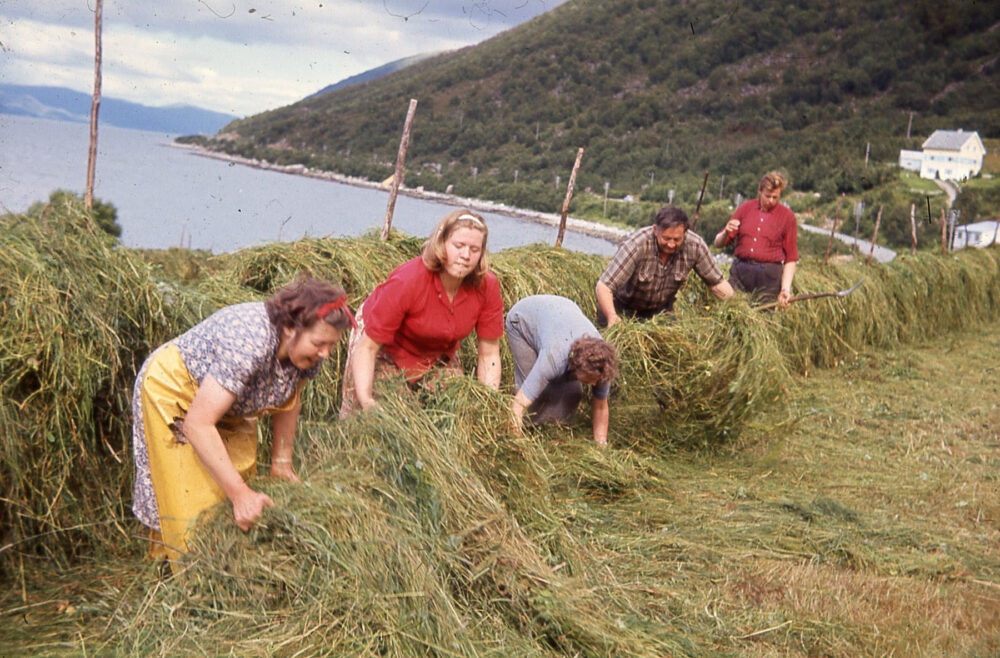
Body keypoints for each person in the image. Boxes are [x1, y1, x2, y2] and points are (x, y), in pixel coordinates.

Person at [131, 276, 355, 563]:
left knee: (232, 477)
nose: (325, 353)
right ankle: (177, 572)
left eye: (331, 346)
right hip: (177, 391)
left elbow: (291, 397)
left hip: (228, 402)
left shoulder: (311, 352)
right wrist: (239, 494)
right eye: (319, 343)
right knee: (187, 496)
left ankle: (219, 558)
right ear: (289, 327)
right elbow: (198, 424)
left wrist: (282, 462)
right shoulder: (249, 341)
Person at [341, 209, 503, 413]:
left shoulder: (487, 286)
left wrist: (489, 404)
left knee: (455, 409)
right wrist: (366, 401)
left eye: (474, 249)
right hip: (386, 344)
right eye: (458, 246)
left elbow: (489, 354)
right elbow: (367, 348)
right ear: (441, 243)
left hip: (437, 347)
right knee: (374, 414)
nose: (465, 256)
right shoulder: (409, 280)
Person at [596, 205, 734, 327]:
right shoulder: (637, 244)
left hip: (659, 311)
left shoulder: (695, 246)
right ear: (656, 230)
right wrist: (612, 317)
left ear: (685, 233)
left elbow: (717, 283)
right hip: (623, 307)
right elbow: (604, 286)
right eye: (666, 238)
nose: (671, 244)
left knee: (670, 350)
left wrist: (737, 308)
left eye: (677, 239)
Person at [507, 295, 618, 445]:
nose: (593, 384)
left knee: (573, 394)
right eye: (590, 379)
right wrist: (518, 444)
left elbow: (600, 406)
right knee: (536, 392)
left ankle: (556, 433)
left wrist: (601, 445)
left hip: (564, 313)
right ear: (576, 365)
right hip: (524, 320)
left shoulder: (602, 365)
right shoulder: (553, 358)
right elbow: (518, 404)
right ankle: (531, 431)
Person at [713, 171, 799, 308]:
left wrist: (785, 289)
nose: (771, 201)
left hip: (769, 278)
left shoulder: (787, 217)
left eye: (775, 197)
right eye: (767, 196)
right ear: (759, 191)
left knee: (764, 319)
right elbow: (717, 243)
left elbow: (791, 258)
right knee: (733, 312)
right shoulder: (745, 209)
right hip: (740, 273)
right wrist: (725, 233)